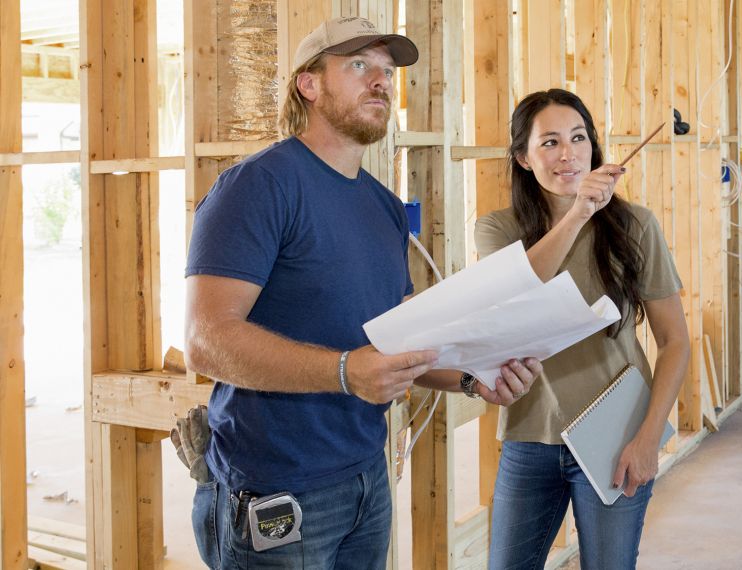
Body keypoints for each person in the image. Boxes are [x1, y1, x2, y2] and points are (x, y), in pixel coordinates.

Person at [183, 16, 541, 569]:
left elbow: (394, 346)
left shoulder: (381, 206)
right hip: (279, 486)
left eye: (386, 71)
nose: (381, 81)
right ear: (309, 84)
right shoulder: (259, 186)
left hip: (366, 479)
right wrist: (346, 372)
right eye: (358, 66)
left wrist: (473, 378)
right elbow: (207, 341)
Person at [476, 88, 692, 570]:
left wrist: (648, 437)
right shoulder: (497, 231)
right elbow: (518, 291)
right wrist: (578, 213)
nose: (568, 153)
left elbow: (675, 341)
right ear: (523, 158)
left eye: (579, 138)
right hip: (529, 438)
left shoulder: (636, 226)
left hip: (617, 436)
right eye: (549, 142)